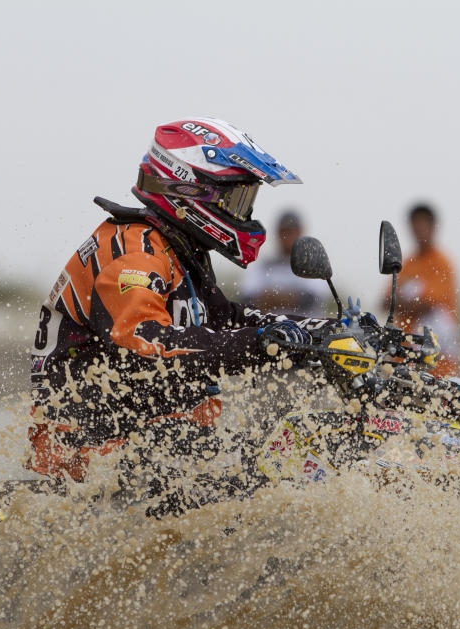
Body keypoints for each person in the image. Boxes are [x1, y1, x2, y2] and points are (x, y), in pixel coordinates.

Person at [26, 117, 332, 513]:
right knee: (274, 489)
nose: (243, 213)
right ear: (188, 190)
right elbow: (147, 343)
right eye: (235, 200)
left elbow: (229, 319)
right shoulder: (135, 254)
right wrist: (257, 344)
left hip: (156, 442)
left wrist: (326, 330)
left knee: (278, 458)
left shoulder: (177, 250)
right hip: (94, 456)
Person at [383, 203, 460, 376]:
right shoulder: (406, 263)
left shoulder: (443, 263)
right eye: (415, 225)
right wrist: (405, 303)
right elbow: (385, 302)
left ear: (434, 227)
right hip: (403, 357)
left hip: (437, 362)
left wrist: (400, 303)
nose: (419, 230)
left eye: (423, 225)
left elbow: (428, 304)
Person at [238, 211, 329, 315]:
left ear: (300, 233)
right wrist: (290, 298)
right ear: (277, 234)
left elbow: (311, 300)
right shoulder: (261, 266)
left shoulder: (313, 265)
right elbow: (246, 300)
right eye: (284, 231)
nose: (288, 236)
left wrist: (270, 298)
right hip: (268, 329)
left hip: (306, 330)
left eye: (292, 231)